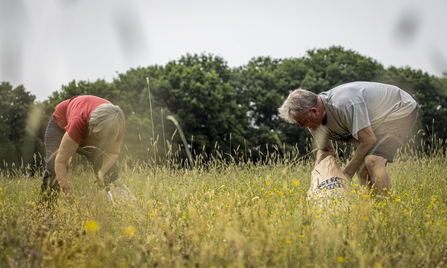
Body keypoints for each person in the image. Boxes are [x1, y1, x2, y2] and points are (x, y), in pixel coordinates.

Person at [278, 81, 418, 195]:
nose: (302, 127)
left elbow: (368, 140)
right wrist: (317, 179)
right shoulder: (314, 124)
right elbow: (326, 151)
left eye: (302, 121)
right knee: (362, 169)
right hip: (375, 123)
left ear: (314, 111)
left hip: (398, 109)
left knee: (373, 161)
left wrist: (345, 176)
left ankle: (387, 213)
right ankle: (368, 213)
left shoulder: (344, 104)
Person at [40, 95, 126, 201]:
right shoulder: (79, 121)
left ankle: (114, 206)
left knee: (111, 171)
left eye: (103, 134)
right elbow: (60, 162)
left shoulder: (117, 125)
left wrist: (102, 172)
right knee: (53, 169)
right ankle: (45, 210)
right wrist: (65, 190)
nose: (99, 136)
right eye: (97, 132)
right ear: (92, 122)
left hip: (85, 127)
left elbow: (112, 152)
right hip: (60, 126)